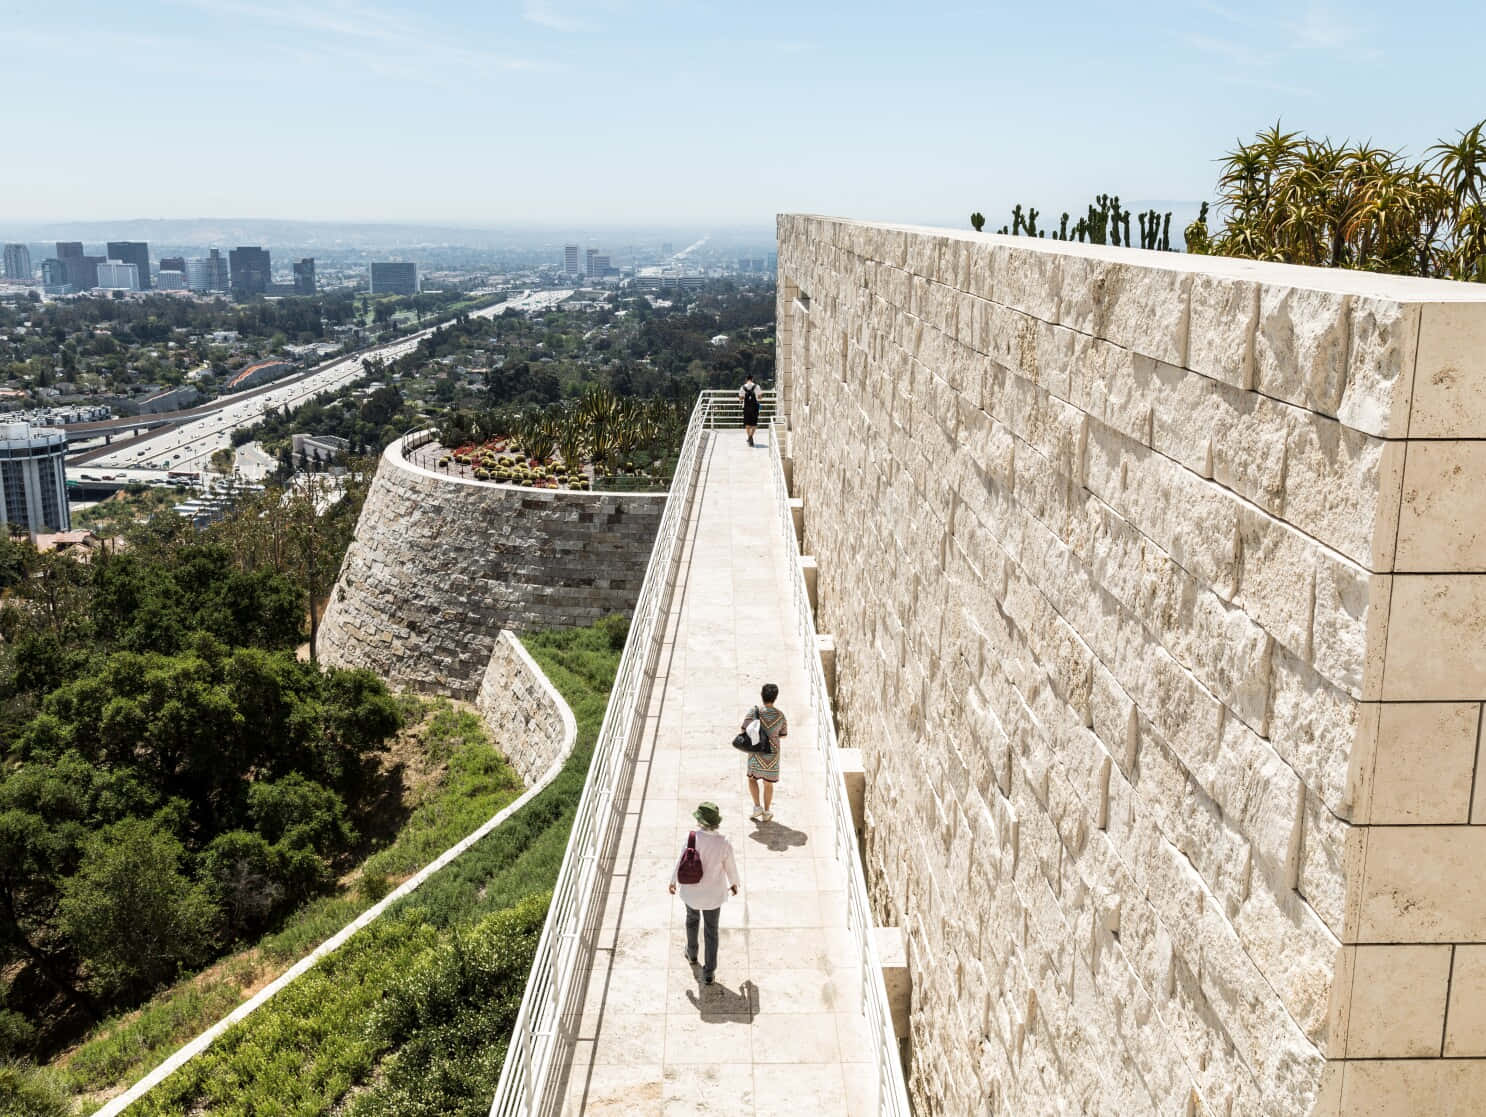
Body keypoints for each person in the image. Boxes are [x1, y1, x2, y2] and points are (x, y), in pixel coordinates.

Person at [668, 801, 740, 985]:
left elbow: (680, 860)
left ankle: (692, 954)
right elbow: (731, 867)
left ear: (700, 821)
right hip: (713, 896)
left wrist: (673, 881)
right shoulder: (724, 843)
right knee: (711, 931)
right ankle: (709, 971)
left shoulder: (691, 838)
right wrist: (734, 884)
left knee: (691, 920)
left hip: (691, 892)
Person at [743, 683, 787, 822]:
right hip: (772, 754)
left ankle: (757, 807)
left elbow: (744, 729)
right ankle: (767, 811)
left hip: (756, 751)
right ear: (775, 697)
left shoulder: (754, 712)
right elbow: (784, 734)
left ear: (762, 696)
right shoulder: (780, 716)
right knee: (768, 783)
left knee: (752, 779)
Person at [739, 374, 761, 446]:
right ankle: (751, 436)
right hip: (755, 407)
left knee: (747, 423)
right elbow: (760, 397)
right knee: (754, 423)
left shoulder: (743, 387)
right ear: (752, 379)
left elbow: (741, 398)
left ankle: (749, 437)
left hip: (746, 407)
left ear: (746, 379)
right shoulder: (757, 386)